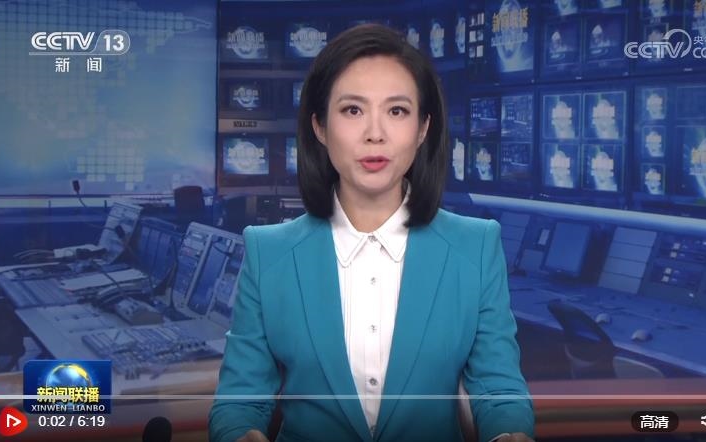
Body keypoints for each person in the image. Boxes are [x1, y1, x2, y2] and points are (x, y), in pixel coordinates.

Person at [209, 24, 534, 442]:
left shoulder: (476, 246)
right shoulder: (267, 253)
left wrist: (509, 433)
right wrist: (239, 433)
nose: (375, 133)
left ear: (423, 128)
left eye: (396, 111)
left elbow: (499, 390)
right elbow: (239, 400)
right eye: (352, 110)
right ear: (320, 127)